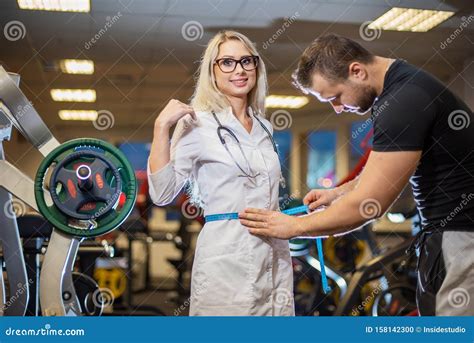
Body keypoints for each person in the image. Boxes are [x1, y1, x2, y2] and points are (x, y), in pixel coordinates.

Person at [239, 33, 474, 316]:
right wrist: (337, 193)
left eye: (336, 97)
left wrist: (294, 227)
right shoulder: (402, 90)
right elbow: (379, 173)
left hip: (461, 237)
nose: (337, 109)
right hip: (445, 234)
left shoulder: (404, 101)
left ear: (357, 71)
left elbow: (370, 204)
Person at [147, 30, 294, 316]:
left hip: (274, 254)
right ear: (212, 72)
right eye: (227, 62)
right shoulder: (196, 123)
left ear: (256, 67)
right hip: (226, 257)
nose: (239, 70)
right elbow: (162, 193)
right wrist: (160, 128)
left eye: (246, 61)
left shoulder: (265, 126)